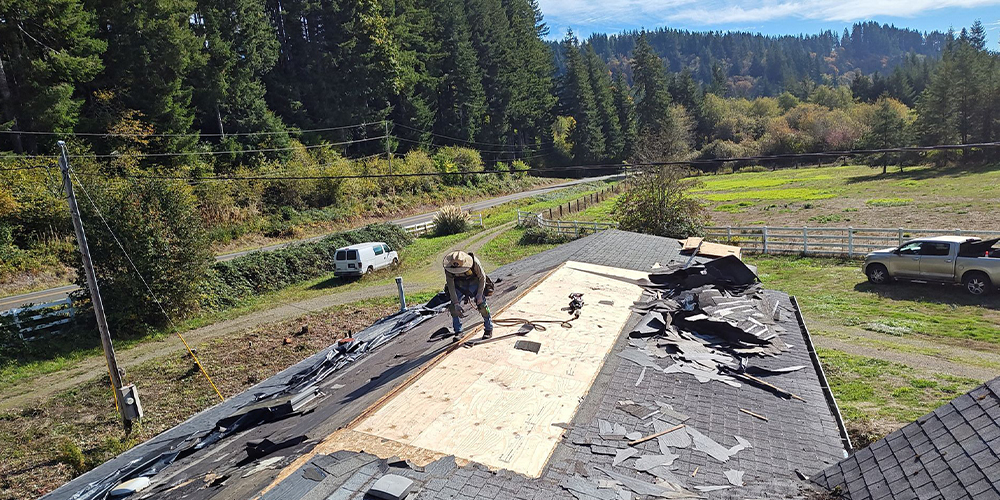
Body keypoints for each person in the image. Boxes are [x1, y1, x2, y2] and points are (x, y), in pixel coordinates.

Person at [442, 251, 494, 339]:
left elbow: (482, 277)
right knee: (453, 308)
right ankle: (458, 331)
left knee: (482, 305)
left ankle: (488, 328)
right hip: (459, 285)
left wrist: (479, 294)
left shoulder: (475, 262)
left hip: (474, 282)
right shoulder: (448, 267)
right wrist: (456, 303)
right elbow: (451, 286)